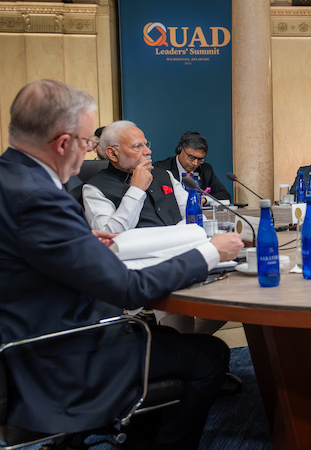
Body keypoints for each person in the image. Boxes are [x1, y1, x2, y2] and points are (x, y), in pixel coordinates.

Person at [0, 79, 244, 449]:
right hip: (61, 357)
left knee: (168, 338)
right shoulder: (40, 198)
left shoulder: (11, 179)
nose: (89, 156)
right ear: (63, 143)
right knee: (211, 356)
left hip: (29, 335)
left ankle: (140, 435)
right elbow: (128, 288)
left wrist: (79, 244)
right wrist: (210, 253)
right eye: (87, 144)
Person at [83, 120, 188, 232]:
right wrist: (136, 190)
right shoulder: (94, 189)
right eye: (137, 146)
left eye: (146, 144)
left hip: (180, 244)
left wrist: (173, 235)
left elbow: (194, 215)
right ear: (113, 154)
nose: (148, 151)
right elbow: (109, 234)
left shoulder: (164, 175)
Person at [154, 130, 231, 204]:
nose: (195, 163)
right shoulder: (161, 169)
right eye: (191, 157)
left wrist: (204, 199)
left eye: (200, 159)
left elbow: (225, 195)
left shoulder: (206, 170)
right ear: (180, 149)